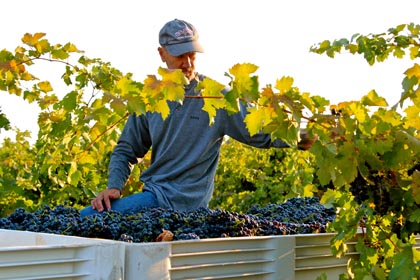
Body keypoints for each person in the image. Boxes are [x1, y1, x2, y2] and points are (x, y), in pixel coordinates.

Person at [80, 19, 314, 217]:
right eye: (180, 56)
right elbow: (127, 149)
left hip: (187, 206)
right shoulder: (150, 97)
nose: (188, 63)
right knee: (89, 220)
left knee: (86, 219)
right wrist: (114, 187)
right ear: (162, 54)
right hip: (155, 199)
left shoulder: (216, 96)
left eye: (192, 55)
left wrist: (309, 137)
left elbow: (261, 134)